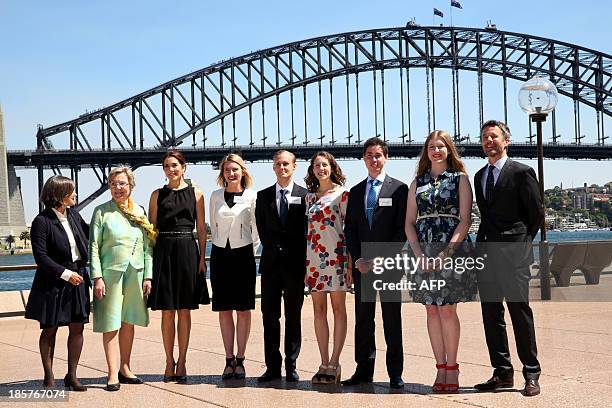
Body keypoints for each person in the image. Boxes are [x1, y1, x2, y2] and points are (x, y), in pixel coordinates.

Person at [473, 120, 543, 397]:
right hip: (486, 253)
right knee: (491, 314)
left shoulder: (522, 172)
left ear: (506, 140)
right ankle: (501, 372)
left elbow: (535, 214)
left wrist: (521, 245)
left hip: (513, 254)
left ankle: (531, 372)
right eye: (484, 137)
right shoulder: (479, 176)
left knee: (519, 311)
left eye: (493, 136)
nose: (489, 141)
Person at [405, 130, 476, 393]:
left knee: (447, 309)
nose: (436, 151)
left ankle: (453, 367)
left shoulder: (460, 179)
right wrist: (418, 254)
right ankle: (439, 366)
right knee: (431, 310)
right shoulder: (417, 183)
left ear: (449, 150)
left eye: (441, 146)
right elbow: (409, 223)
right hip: (422, 251)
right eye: (431, 147)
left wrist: (447, 253)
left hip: (452, 249)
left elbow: (465, 220)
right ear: (426, 151)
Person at [343, 137, 408, 389]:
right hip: (362, 267)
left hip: (389, 265)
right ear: (364, 159)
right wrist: (358, 258)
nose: (374, 159)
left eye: (378, 155)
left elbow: (401, 231)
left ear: (386, 157)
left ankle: (395, 373)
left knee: (392, 319)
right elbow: (350, 230)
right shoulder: (357, 191)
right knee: (364, 319)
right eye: (369, 155)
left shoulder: (399, 189)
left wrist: (379, 259)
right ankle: (364, 370)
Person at [89, 166, 156, 391]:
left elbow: (148, 246)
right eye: (113, 184)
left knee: (128, 321)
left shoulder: (139, 211)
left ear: (131, 186)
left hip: (135, 273)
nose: (118, 188)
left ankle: (125, 368)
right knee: (111, 323)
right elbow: (94, 247)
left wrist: (148, 276)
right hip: (110, 274)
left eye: (122, 183)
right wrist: (96, 277)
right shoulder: (101, 212)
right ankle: (111, 373)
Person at [147, 150, 208, 384]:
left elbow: (201, 229)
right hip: (163, 250)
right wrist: (149, 261)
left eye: (174, 165)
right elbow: (151, 230)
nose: (170, 169)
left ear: (184, 167)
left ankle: (182, 360)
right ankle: (168, 360)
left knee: (184, 309)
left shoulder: (196, 193)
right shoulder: (156, 195)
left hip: (186, 250)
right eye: (166, 166)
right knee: (166, 310)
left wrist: (202, 258)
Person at [25, 176, 90, 391]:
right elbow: (41, 256)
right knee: (50, 329)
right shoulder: (41, 221)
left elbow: (92, 236)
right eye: (71, 191)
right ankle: (49, 376)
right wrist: (65, 274)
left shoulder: (74, 216)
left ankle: (72, 375)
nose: (75, 195)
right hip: (53, 281)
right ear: (60, 195)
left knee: (77, 327)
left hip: (78, 279)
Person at [255, 150, 307, 383]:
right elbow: (263, 230)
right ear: (273, 168)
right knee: (270, 316)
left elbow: (306, 232)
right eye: (278, 164)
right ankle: (272, 366)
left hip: (295, 266)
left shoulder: (306, 196)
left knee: (293, 316)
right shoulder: (263, 196)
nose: (282, 167)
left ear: (294, 166)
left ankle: (291, 364)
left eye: (286, 164)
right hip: (271, 265)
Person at [209, 153, 259, 380]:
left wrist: (249, 247)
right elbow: (213, 223)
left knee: (243, 309)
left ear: (242, 172)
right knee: (224, 309)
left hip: (243, 255)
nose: (231, 173)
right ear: (223, 174)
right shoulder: (215, 196)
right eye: (227, 170)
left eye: (235, 169)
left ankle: (241, 358)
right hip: (220, 255)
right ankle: (228, 358)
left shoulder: (252, 196)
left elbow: (256, 231)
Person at [304, 151, 351, 384]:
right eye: (317, 166)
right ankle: (323, 362)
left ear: (332, 167)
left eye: (325, 165)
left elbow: (348, 230)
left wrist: (350, 262)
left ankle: (335, 361)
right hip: (314, 260)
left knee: (338, 310)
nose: (321, 169)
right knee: (319, 311)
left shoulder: (343, 195)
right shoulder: (309, 198)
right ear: (312, 170)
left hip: (337, 258)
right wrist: (306, 266)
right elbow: (309, 233)